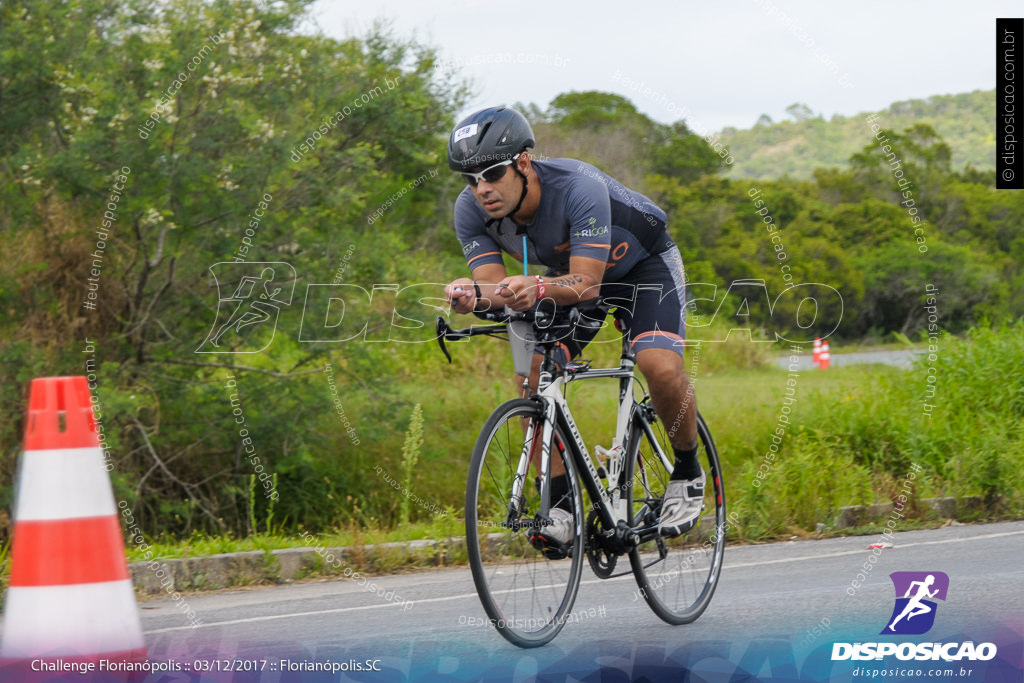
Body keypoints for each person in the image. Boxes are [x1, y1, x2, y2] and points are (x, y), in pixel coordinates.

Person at [443, 106, 702, 549]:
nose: (481, 188)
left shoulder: (578, 187)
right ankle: (562, 507)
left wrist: (538, 284)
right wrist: (471, 296)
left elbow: (588, 284)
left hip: (641, 267)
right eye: (470, 179)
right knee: (534, 378)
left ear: (523, 162)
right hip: (570, 275)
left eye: (492, 173)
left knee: (656, 364)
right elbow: (493, 288)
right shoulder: (470, 210)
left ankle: (688, 472)